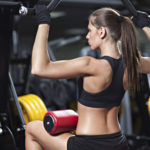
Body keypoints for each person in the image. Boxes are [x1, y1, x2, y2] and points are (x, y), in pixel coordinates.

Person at [25, 5, 150, 150]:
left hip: (88, 144)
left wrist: (43, 22)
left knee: (32, 128)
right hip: (118, 142)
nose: (87, 35)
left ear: (102, 32)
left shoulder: (90, 64)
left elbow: (38, 68)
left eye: (90, 30)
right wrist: (146, 27)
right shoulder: (132, 63)